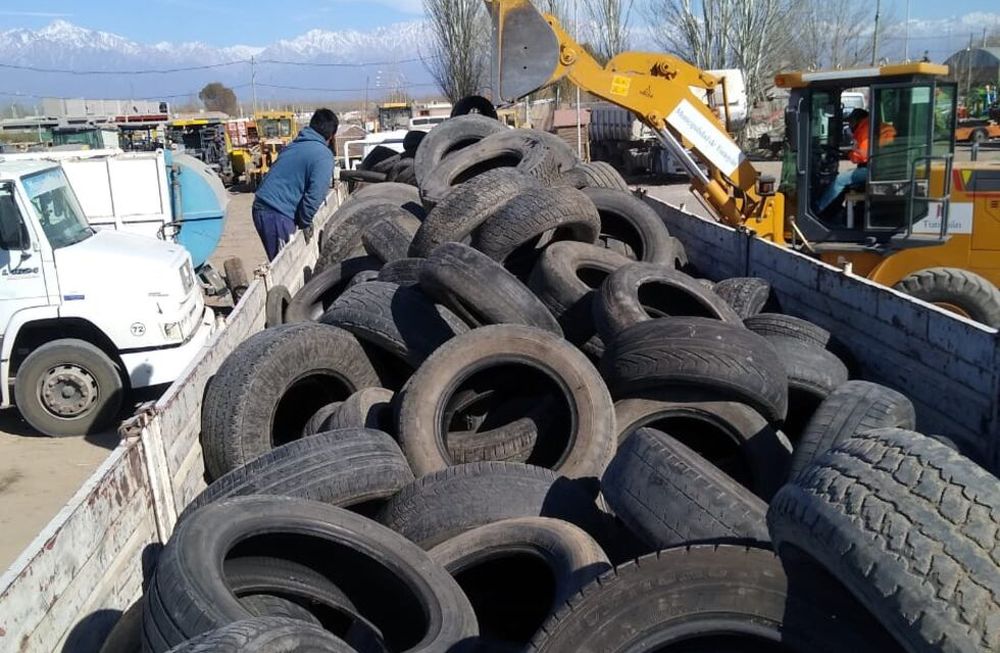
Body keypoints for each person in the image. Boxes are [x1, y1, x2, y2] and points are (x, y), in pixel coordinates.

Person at [252, 108, 338, 260]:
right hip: (276, 212)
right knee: (286, 263)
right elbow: (314, 195)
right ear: (331, 136)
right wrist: (305, 222)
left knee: (281, 260)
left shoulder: (295, 145)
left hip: (265, 208)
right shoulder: (323, 155)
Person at [817, 108, 872, 214]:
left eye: (851, 121)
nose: (850, 125)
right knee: (846, 180)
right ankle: (834, 210)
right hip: (874, 166)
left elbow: (862, 155)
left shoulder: (866, 129)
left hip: (872, 169)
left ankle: (819, 209)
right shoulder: (866, 127)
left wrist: (849, 154)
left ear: (857, 120)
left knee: (840, 180)